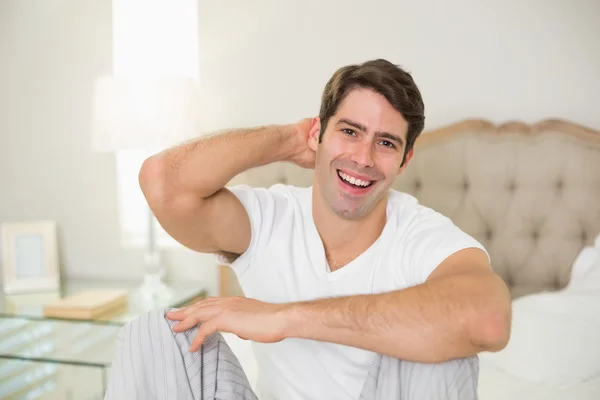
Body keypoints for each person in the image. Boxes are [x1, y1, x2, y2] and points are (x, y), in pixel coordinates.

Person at [104, 59, 512, 400]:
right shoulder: (270, 218)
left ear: (405, 161)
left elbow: (488, 320)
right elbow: (162, 182)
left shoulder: (423, 237)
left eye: (386, 143)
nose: (363, 158)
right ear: (318, 133)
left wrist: (285, 318)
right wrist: (285, 140)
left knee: (445, 347)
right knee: (156, 330)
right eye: (349, 131)